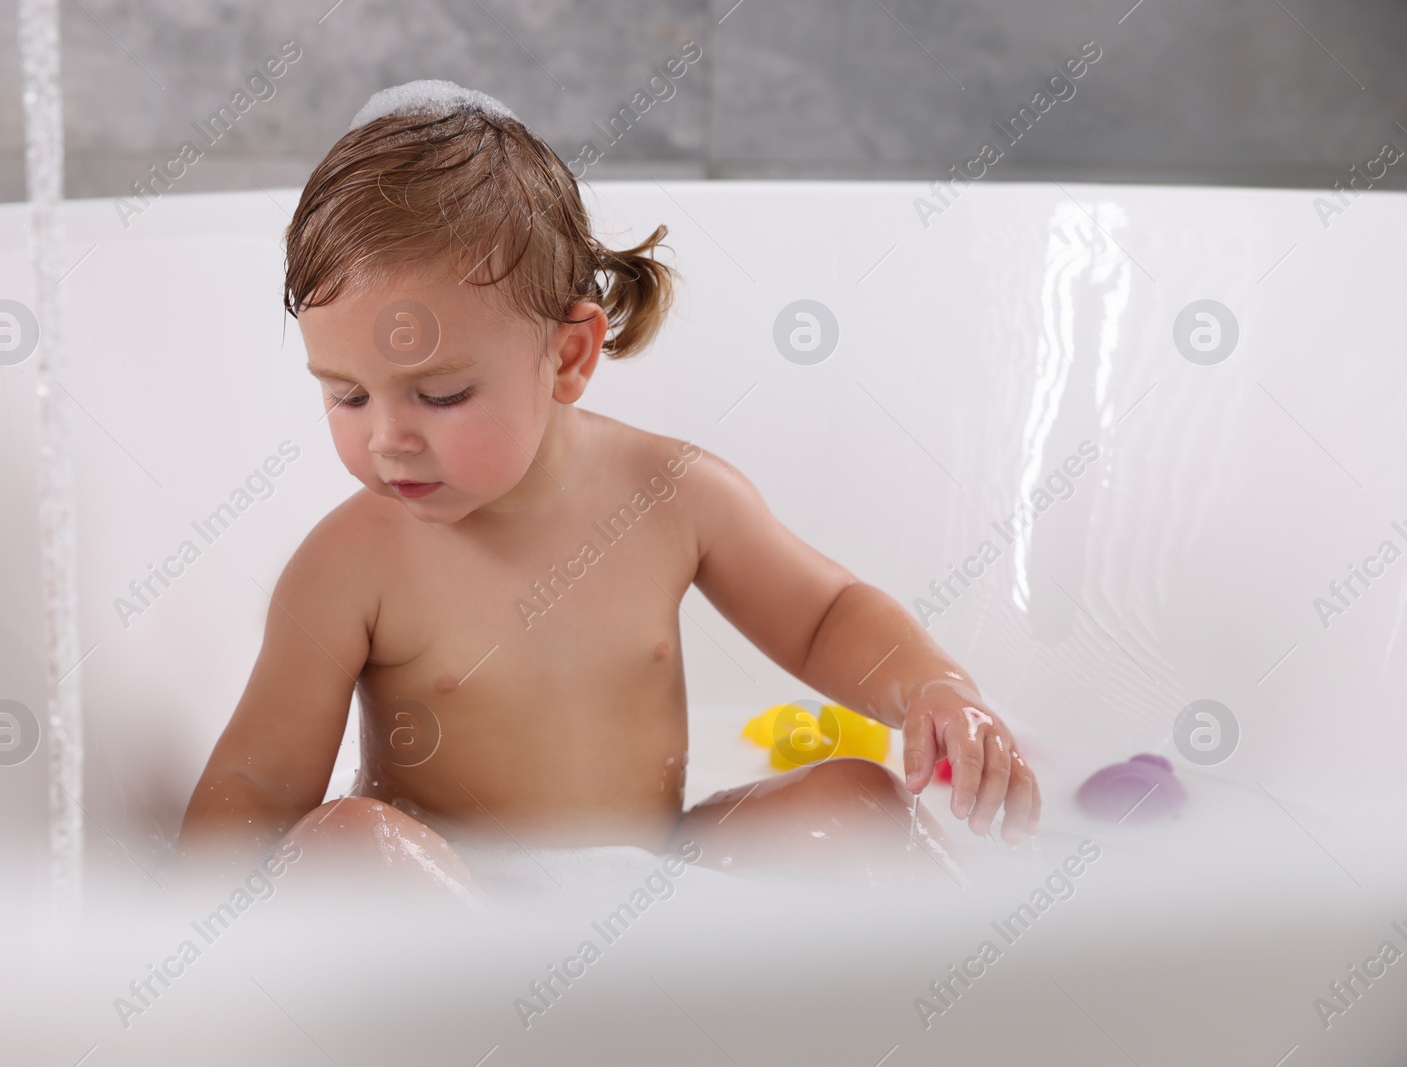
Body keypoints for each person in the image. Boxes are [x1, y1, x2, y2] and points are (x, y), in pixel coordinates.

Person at [175, 80, 1039, 900]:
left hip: (652, 885)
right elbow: (259, 780)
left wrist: (933, 685)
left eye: (439, 394)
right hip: (450, 907)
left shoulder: (672, 495)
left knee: (857, 800)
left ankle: (1000, 1003)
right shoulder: (350, 564)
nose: (387, 437)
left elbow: (824, 616)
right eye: (346, 395)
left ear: (569, 355)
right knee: (349, 845)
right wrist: (182, 942)